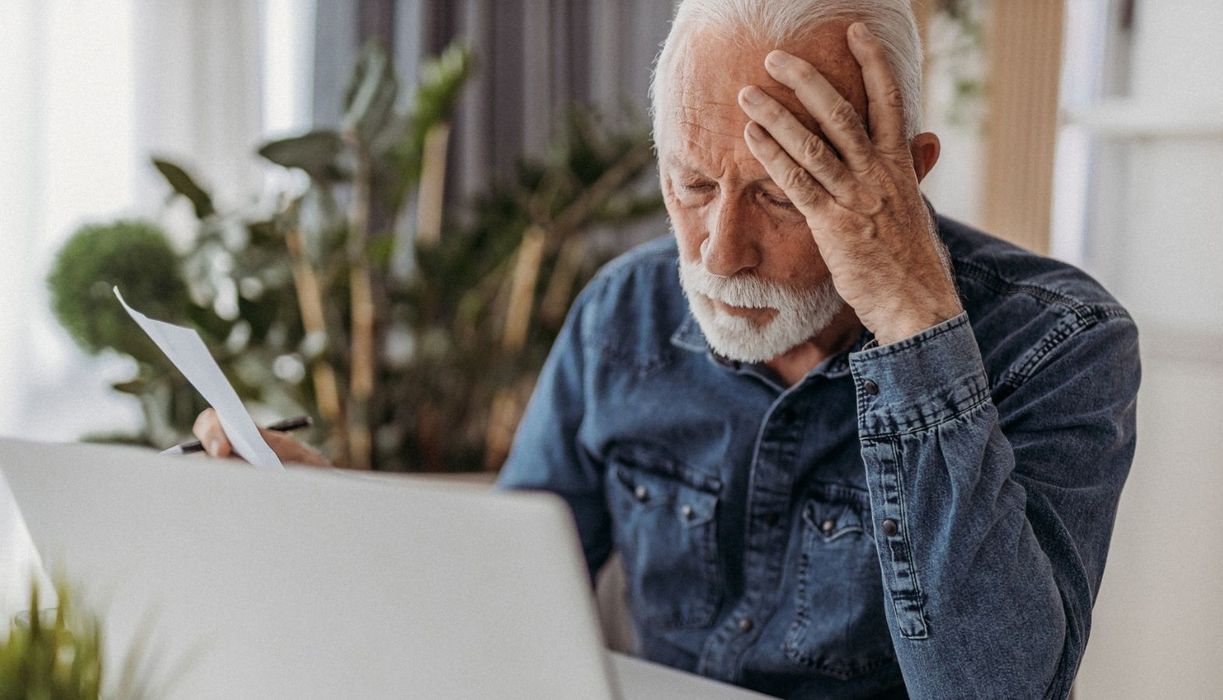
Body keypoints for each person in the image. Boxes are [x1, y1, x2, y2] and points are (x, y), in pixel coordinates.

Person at [194, 1, 1141, 697]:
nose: (718, 254)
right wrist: (317, 508)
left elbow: (994, 690)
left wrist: (910, 318)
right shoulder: (626, 311)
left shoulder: (1059, 342)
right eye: (690, 184)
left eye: (779, 195)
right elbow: (506, 589)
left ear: (901, 174)